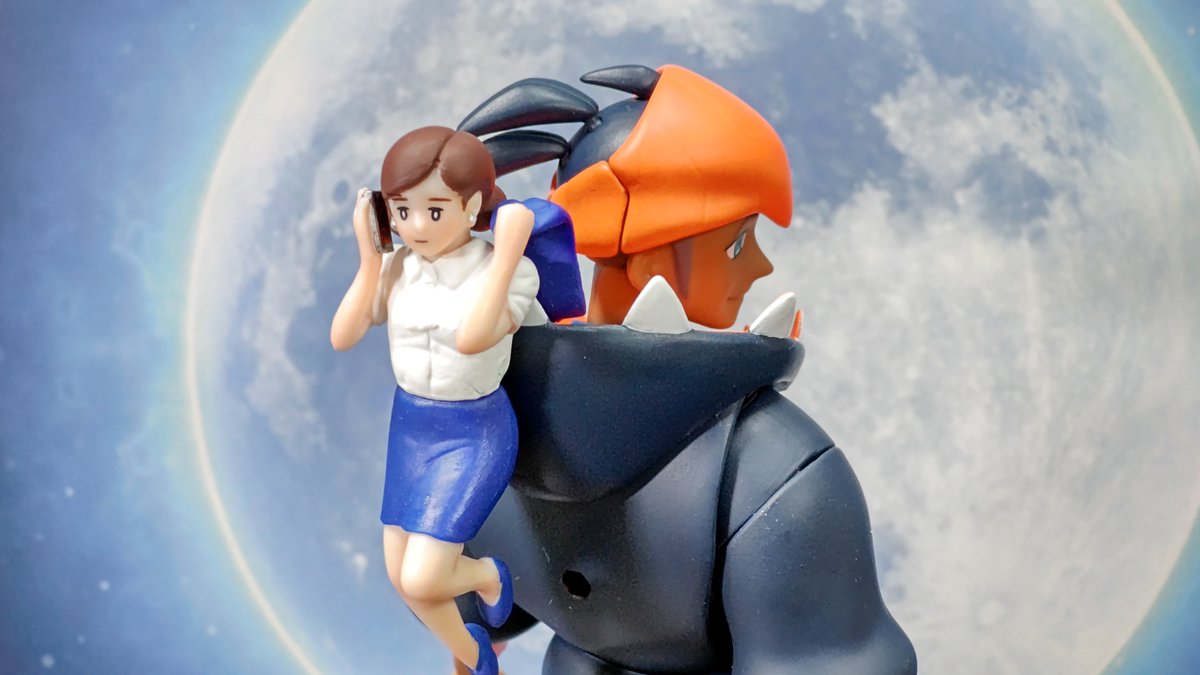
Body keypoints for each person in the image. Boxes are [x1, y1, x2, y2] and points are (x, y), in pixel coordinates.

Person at [446, 65, 918, 674]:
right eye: (737, 243)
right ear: (654, 262)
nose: (761, 267)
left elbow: (470, 601)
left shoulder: (488, 413)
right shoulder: (770, 467)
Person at [330, 126, 538, 675]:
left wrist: (507, 252)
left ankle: (486, 575)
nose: (417, 226)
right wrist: (370, 257)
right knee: (402, 577)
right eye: (402, 211)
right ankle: (477, 658)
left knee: (424, 578)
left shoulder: (509, 269)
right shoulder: (398, 267)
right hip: (411, 427)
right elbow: (343, 335)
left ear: (471, 207)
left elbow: (473, 337)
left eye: (435, 210)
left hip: (474, 431)